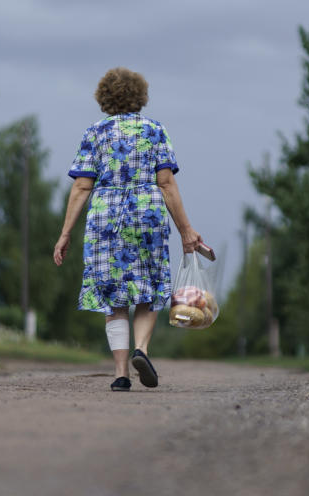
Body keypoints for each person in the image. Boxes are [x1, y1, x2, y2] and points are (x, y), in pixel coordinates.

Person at [53, 67, 201, 391]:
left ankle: (121, 374)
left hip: (106, 219)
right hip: (146, 214)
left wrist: (65, 233)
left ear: (104, 98)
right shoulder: (155, 130)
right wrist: (186, 230)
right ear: (140, 96)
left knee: (113, 298)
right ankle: (142, 350)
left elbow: (81, 187)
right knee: (147, 291)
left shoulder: (95, 133)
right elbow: (166, 182)